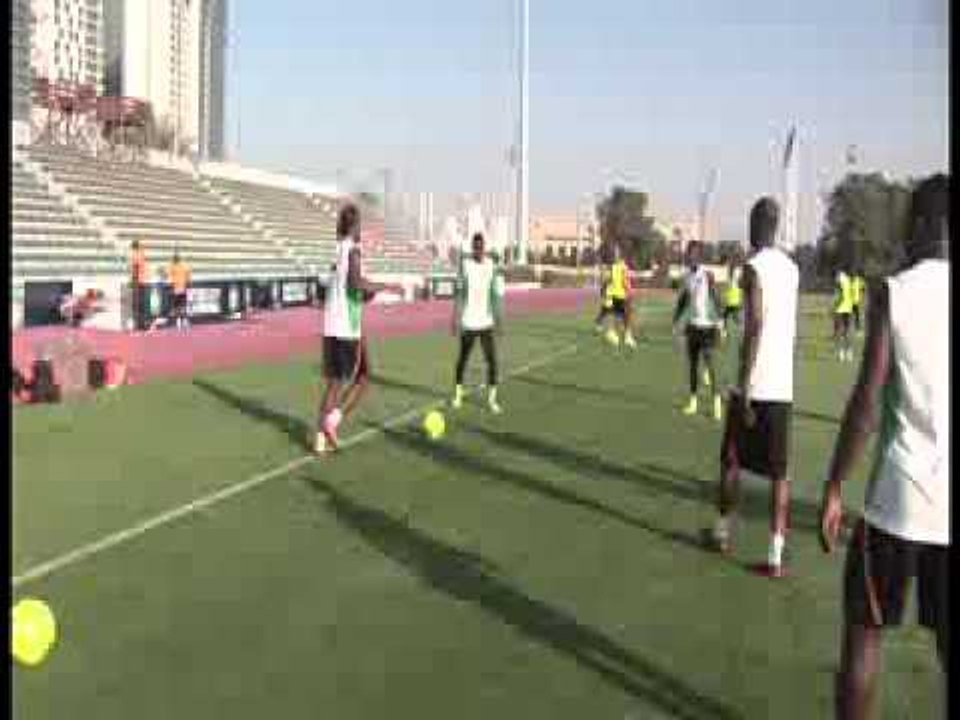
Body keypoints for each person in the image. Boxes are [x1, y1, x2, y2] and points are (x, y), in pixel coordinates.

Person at [818, 174, 949, 720]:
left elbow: (867, 402)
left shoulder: (895, 292)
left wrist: (833, 486)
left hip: (895, 501)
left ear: (920, 225)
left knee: (865, 641)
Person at [708, 197, 799, 577]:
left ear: (753, 224)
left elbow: (756, 324)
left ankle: (722, 533)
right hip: (782, 387)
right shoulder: (793, 270)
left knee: (731, 460)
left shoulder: (751, 269)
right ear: (776, 227)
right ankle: (775, 556)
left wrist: (744, 386)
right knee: (780, 474)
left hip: (754, 386)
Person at [315, 203, 402, 454]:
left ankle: (321, 437)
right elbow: (356, 283)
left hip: (334, 325)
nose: (361, 229)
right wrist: (386, 287)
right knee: (361, 378)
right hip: (347, 328)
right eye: (360, 224)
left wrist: (366, 294)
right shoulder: (352, 251)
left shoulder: (338, 251)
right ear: (354, 226)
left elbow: (348, 289)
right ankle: (330, 424)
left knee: (335, 383)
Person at [451, 233, 506, 414]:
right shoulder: (465, 266)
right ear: (472, 248)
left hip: (486, 322)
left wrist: (498, 320)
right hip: (468, 322)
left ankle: (492, 401)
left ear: (484, 247)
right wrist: (455, 319)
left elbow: (494, 295)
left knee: (492, 361)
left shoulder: (491, 266)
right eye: (475, 247)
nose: (479, 250)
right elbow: (459, 295)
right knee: (463, 360)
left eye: (481, 247)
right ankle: (458, 395)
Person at [673, 241, 724, 419]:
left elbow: (717, 298)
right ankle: (693, 402)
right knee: (693, 366)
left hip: (708, 327)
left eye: (693, 254)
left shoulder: (707, 275)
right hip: (692, 326)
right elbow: (684, 300)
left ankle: (717, 402)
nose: (690, 256)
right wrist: (676, 319)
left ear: (699, 256)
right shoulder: (687, 276)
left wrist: (720, 322)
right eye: (689, 253)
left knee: (711, 366)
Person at [603, 245, 637, 349]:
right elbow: (623, 280)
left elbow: (608, 281)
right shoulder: (617, 266)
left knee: (621, 315)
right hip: (617, 295)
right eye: (614, 253)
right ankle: (622, 336)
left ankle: (620, 335)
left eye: (616, 253)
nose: (615, 255)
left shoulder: (617, 266)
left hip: (617, 295)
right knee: (623, 315)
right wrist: (629, 290)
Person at [833, 268, 855, 362]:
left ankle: (841, 354)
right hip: (848, 308)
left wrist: (836, 305)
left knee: (838, 331)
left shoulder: (839, 279)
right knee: (847, 331)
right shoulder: (848, 280)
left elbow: (840, 294)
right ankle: (849, 353)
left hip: (840, 308)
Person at [168, 251, 192, 330]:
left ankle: (178, 321)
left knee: (177, 306)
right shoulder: (184, 266)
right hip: (183, 288)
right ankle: (184, 320)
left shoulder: (172, 266)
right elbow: (188, 276)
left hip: (176, 288)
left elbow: (170, 277)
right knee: (183, 305)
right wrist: (188, 285)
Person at [722, 257, 744, 339]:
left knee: (728, 317)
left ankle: (726, 332)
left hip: (733, 300)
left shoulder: (736, 274)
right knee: (732, 317)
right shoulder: (732, 276)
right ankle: (740, 329)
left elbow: (738, 282)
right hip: (732, 300)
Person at [129, 240, 149, 331]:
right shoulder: (142, 253)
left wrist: (133, 280)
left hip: (138, 282)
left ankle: (138, 325)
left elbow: (135, 268)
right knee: (142, 304)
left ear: (134, 247)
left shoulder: (135, 255)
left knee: (137, 304)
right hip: (143, 280)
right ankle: (143, 324)